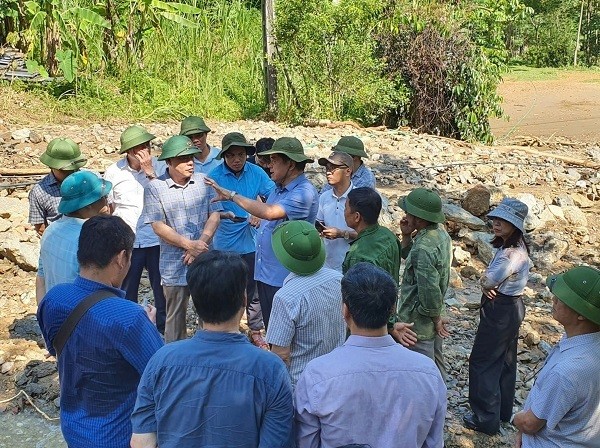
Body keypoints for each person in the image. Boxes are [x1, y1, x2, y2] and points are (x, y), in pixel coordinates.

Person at [130, 251, 294, 448]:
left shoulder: (161, 361)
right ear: (244, 299)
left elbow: (141, 442)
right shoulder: (271, 369)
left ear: (195, 301)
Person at [37, 215, 163, 448]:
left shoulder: (53, 299)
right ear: (122, 258)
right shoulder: (130, 317)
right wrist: (150, 328)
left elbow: (58, 351)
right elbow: (162, 376)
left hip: (73, 429)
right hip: (118, 436)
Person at [295, 263, 446, 448]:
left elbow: (306, 442)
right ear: (392, 309)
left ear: (345, 310)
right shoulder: (428, 372)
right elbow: (433, 441)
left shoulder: (317, 374)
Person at [205, 136, 318, 329]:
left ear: (290, 165)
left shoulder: (303, 192)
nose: (269, 165)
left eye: (274, 160)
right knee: (272, 327)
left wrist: (231, 195)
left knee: (285, 333)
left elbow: (270, 212)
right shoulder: (279, 189)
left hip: (285, 277)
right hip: (267, 273)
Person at [144, 135, 221, 342]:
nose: (190, 163)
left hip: (204, 259)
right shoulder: (155, 188)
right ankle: (175, 360)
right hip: (173, 263)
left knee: (209, 312)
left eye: (191, 158)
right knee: (175, 316)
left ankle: (208, 353)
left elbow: (214, 214)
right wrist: (188, 245)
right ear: (169, 162)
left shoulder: (204, 182)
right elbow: (157, 225)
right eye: (183, 159)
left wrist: (200, 244)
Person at [464, 198, 532, 435]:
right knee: (505, 360)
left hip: (500, 308)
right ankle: (502, 411)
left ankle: (485, 418)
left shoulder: (510, 254)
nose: (496, 223)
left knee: (483, 361)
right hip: (512, 306)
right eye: (496, 219)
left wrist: (483, 282)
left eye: (504, 220)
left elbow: (489, 280)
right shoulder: (516, 247)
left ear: (515, 225)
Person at [513, 266, 600, 448]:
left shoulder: (567, 372)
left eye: (562, 298)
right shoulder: (584, 342)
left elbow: (531, 423)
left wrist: (517, 421)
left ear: (581, 315)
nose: (554, 300)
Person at [208, 131, 275, 349]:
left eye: (240, 155)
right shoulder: (214, 177)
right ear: (224, 156)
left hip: (252, 241)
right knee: (228, 288)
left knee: (253, 290)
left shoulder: (256, 173)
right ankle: (229, 330)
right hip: (226, 243)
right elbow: (210, 209)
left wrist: (260, 211)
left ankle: (255, 330)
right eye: (231, 156)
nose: (236, 160)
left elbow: (273, 194)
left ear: (247, 155)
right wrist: (229, 214)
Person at [104, 125, 167, 334]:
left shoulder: (160, 167)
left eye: (147, 146)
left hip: (157, 239)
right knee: (125, 288)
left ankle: (160, 331)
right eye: (139, 148)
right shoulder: (114, 172)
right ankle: (127, 330)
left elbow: (167, 197)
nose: (144, 152)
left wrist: (150, 172)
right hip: (128, 241)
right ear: (129, 151)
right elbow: (110, 208)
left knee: (161, 289)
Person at [266, 221, 346, 386]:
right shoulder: (339, 279)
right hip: (336, 377)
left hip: (302, 385)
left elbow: (281, 355)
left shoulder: (286, 297)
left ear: (283, 256)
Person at [393, 188, 451, 380]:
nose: (405, 214)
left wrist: (436, 320)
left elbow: (429, 290)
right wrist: (406, 236)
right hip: (433, 315)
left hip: (418, 323)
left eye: (408, 211)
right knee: (437, 364)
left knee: (421, 375)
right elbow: (411, 260)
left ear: (418, 217)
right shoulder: (439, 235)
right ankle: (441, 405)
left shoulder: (424, 248)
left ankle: (431, 408)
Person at [35, 171, 111, 304]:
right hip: (80, 319)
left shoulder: (50, 231)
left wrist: (43, 313)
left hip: (52, 313)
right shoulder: (91, 239)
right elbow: (99, 293)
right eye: (104, 197)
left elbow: (41, 277)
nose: (107, 201)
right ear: (89, 205)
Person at [29, 137, 87, 236]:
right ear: (51, 166)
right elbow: (40, 228)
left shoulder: (89, 180)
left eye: (74, 169)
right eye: (65, 170)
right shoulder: (39, 192)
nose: (71, 173)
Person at [342, 187, 401, 283]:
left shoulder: (357, 256)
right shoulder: (389, 235)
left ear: (357, 217)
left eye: (345, 208)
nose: (344, 212)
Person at [316, 151, 357, 271]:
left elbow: (368, 234)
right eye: (327, 168)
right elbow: (319, 224)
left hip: (351, 265)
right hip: (326, 265)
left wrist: (341, 234)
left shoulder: (358, 198)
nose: (328, 172)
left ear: (348, 171)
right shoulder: (324, 197)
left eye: (333, 168)